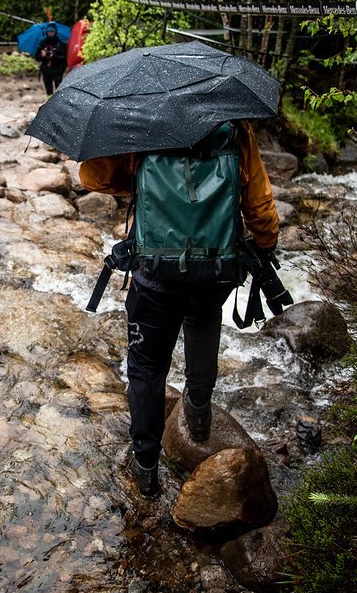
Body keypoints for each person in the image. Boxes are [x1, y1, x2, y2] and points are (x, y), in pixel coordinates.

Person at [79, 121, 279, 497]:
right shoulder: (235, 126)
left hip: (155, 271)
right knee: (204, 324)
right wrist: (265, 243)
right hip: (215, 268)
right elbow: (258, 200)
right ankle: (199, 412)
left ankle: (146, 465)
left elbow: (93, 178)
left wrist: (139, 174)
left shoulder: (140, 121)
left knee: (146, 367)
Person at [35, 25, 68, 95]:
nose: (50, 33)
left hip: (57, 70)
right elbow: (37, 57)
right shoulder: (42, 43)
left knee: (58, 91)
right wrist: (42, 55)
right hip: (46, 70)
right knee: (49, 91)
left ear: (55, 32)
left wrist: (53, 56)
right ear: (46, 32)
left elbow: (64, 58)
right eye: (49, 31)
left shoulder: (60, 44)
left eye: (52, 31)